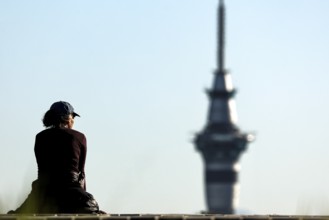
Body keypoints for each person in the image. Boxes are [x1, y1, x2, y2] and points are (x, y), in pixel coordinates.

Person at [8, 101, 104, 214]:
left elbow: (41, 169)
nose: (73, 120)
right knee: (93, 205)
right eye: (73, 117)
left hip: (42, 195)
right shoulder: (79, 137)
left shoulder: (40, 137)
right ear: (68, 118)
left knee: (16, 214)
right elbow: (81, 174)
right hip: (70, 194)